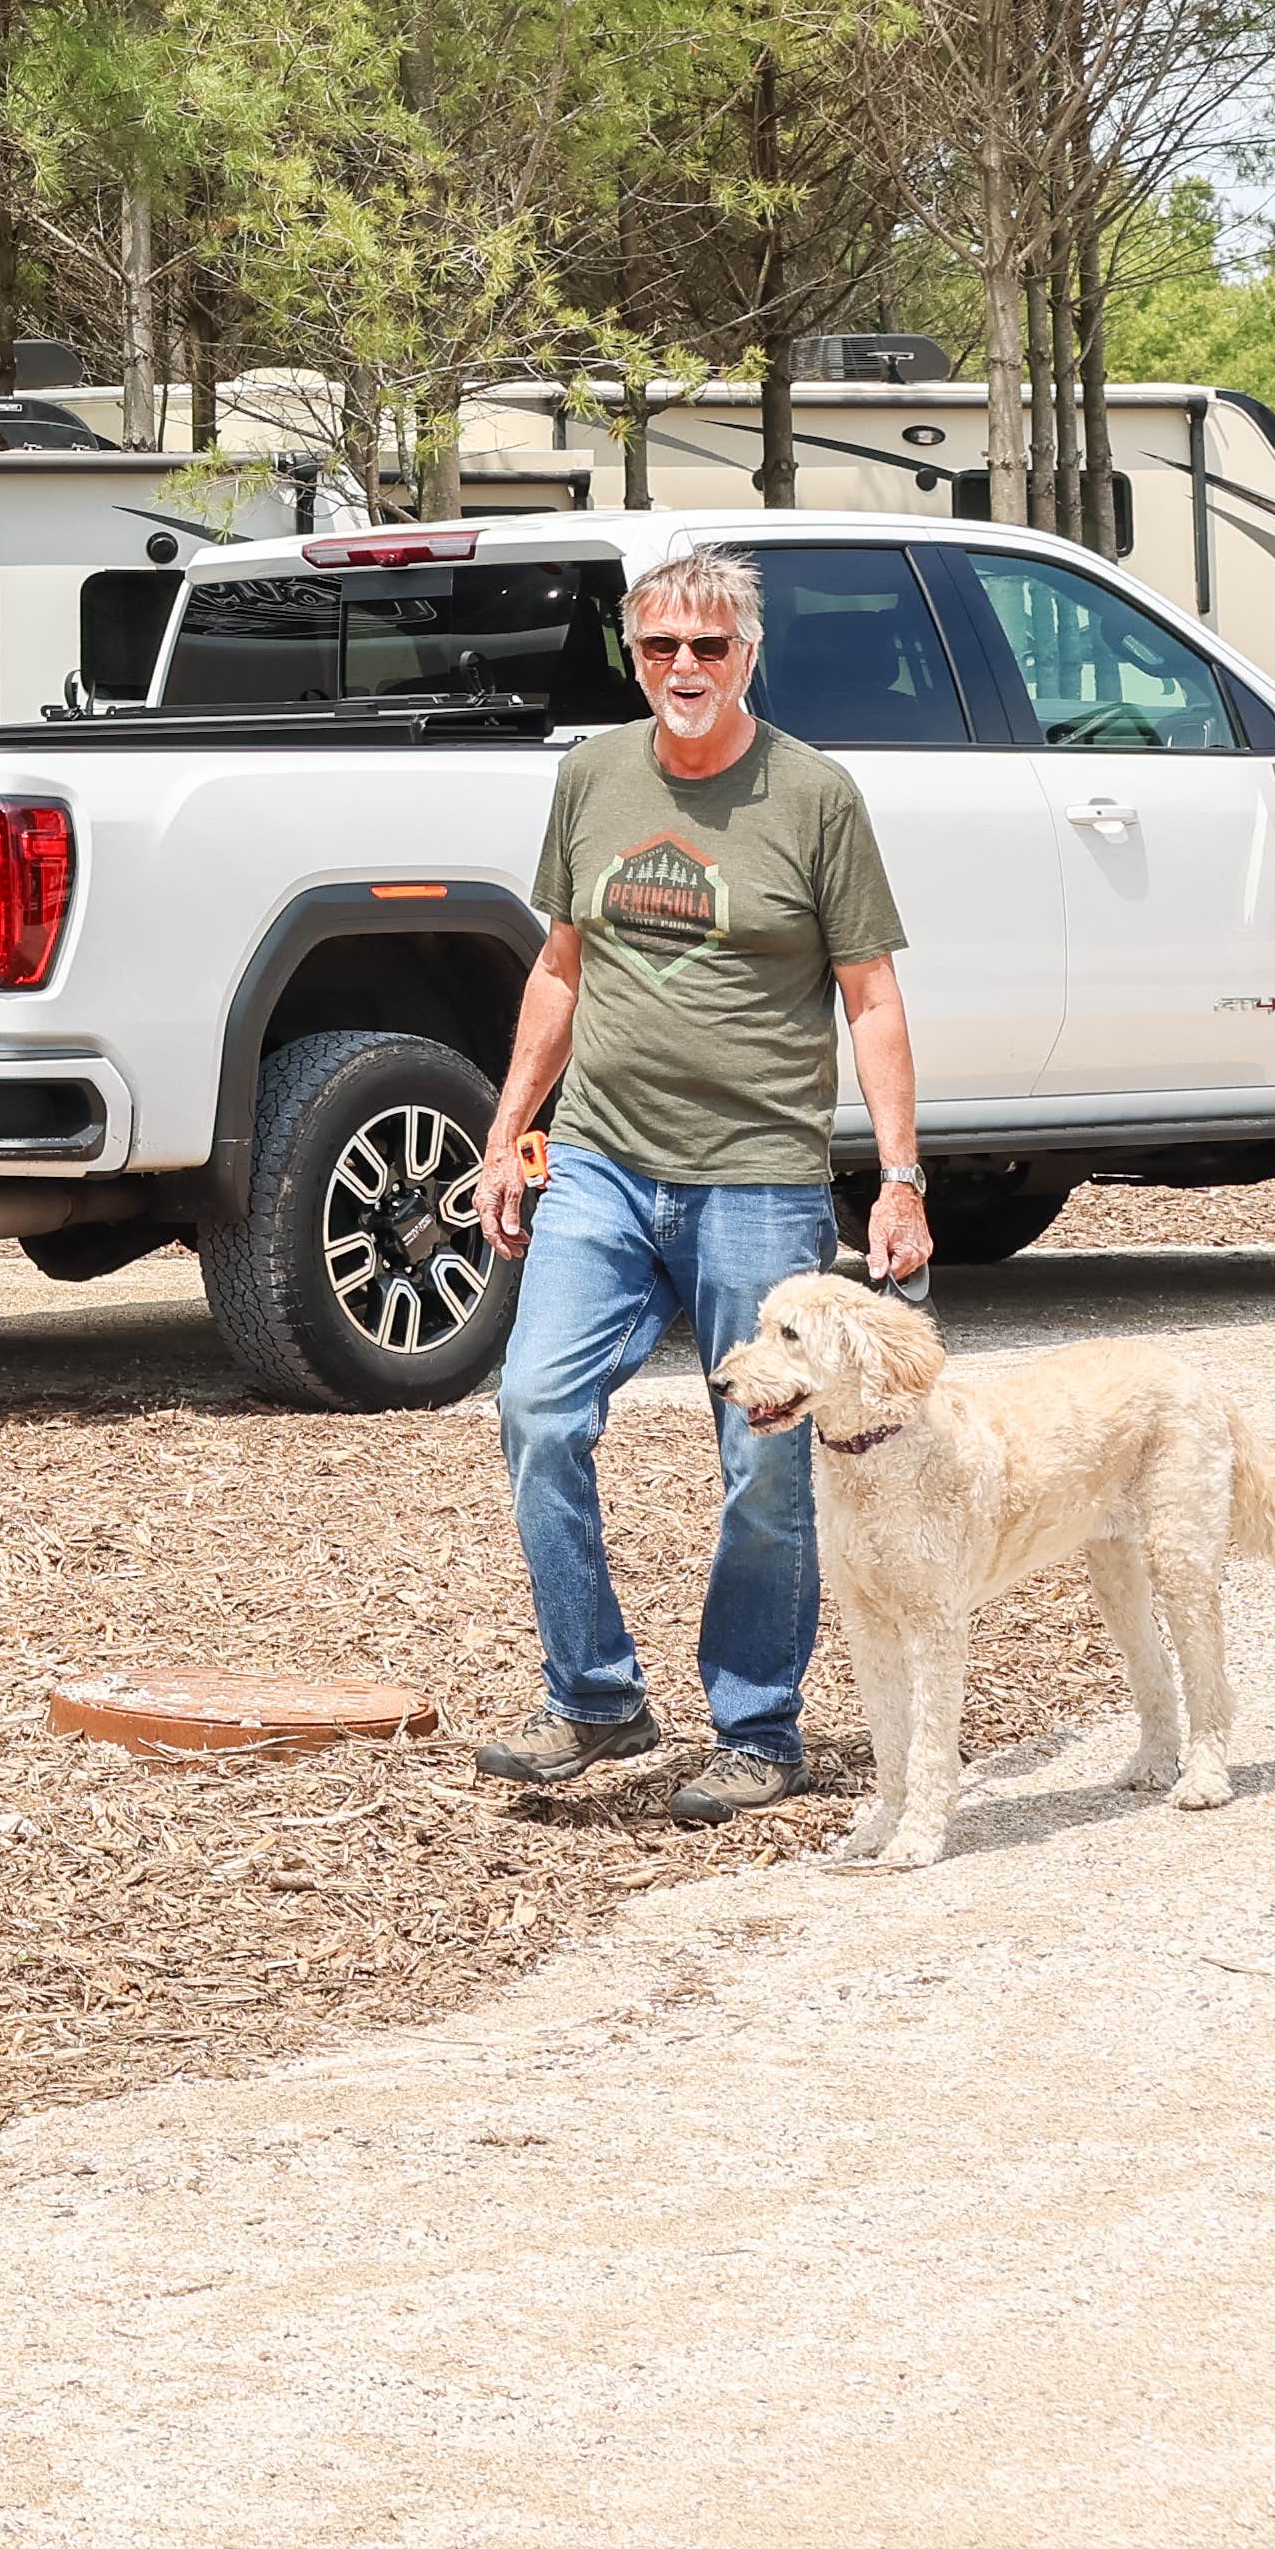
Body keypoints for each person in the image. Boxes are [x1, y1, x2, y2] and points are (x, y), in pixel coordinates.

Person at [469, 547, 935, 1824]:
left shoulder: (815, 794)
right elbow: (559, 967)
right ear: (634, 652)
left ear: (749, 655)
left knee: (766, 1461)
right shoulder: (591, 776)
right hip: (605, 1165)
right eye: (662, 645)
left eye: (710, 648)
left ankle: (758, 1726)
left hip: (760, 1178)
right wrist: (512, 1131)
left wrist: (897, 1180)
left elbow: (872, 997)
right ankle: (595, 1698)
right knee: (537, 1408)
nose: (685, 668)